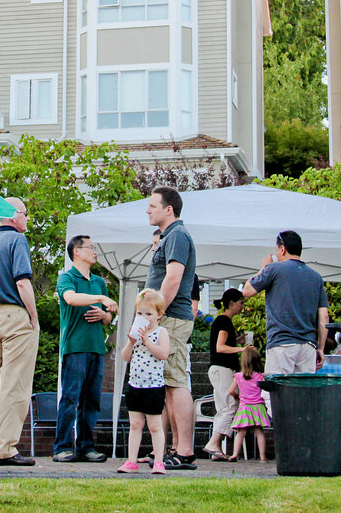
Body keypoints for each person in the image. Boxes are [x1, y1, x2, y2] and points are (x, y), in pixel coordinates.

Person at [0, 197, 39, 467]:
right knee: (15, 384)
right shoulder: (17, 240)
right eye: (25, 213)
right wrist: (33, 316)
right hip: (14, 315)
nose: (27, 218)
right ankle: (5, 449)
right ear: (13, 215)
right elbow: (22, 282)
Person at [144, 186, 197, 469]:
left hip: (172, 318)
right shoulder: (170, 236)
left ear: (169, 209)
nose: (148, 210)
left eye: (153, 206)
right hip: (168, 317)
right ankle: (174, 449)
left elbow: (173, 278)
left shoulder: (177, 235)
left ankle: (185, 451)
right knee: (169, 384)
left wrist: (157, 313)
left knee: (176, 382)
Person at [52, 235, 117, 464]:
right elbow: (70, 298)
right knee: (70, 398)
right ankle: (61, 448)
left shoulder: (99, 282)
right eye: (90, 247)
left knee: (92, 401)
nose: (95, 251)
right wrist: (101, 298)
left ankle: (86, 448)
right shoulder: (66, 278)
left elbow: (109, 316)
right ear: (76, 251)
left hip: (96, 347)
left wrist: (104, 315)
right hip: (75, 347)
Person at [242, 230, 329, 374]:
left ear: (282, 249)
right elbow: (324, 315)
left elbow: (247, 291)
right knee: (304, 387)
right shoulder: (316, 277)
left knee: (278, 387)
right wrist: (321, 348)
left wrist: (263, 268)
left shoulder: (273, 269)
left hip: (281, 343)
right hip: (308, 346)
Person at [116, 289, 170, 475]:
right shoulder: (135, 333)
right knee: (135, 425)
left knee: (155, 426)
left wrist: (147, 341)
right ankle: (131, 461)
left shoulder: (161, 332)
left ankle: (159, 461)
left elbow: (163, 354)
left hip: (154, 387)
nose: (144, 318)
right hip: (135, 385)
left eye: (148, 314)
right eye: (139, 313)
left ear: (159, 315)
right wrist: (131, 342)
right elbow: (125, 356)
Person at [202, 287, 247, 460]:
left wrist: (237, 341)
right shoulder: (224, 321)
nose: (243, 307)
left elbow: (222, 343)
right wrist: (241, 349)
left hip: (218, 369)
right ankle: (213, 443)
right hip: (222, 369)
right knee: (230, 407)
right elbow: (220, 347)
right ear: (232, 303)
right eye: (241, 303)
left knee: (223, 408)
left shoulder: (222, 321)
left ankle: (216, 449)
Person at [228, 346, 270, 462]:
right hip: (258, 406)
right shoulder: (260, 376)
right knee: (259, 432)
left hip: (244, 406)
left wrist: (236, 396)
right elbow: (266, 389)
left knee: (240, 432)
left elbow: (230, 390)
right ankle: (262, 457)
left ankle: (235, 454)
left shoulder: (238, 376)